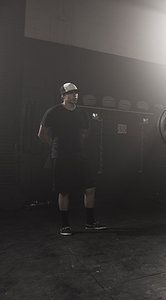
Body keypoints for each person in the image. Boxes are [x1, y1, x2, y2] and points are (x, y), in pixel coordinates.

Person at [38, 82, 106, 236]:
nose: (75, 96)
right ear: (63, 96)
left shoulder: (82, 113)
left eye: (76, 93)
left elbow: (85, 132)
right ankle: (65, 225)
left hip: (79, 155)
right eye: (71, 93)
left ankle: (90, 223)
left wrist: (75, 142)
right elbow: (42, 134)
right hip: (61, 156)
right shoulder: (53, 112)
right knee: (64, 191)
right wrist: (56, 146)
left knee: (90, 188)